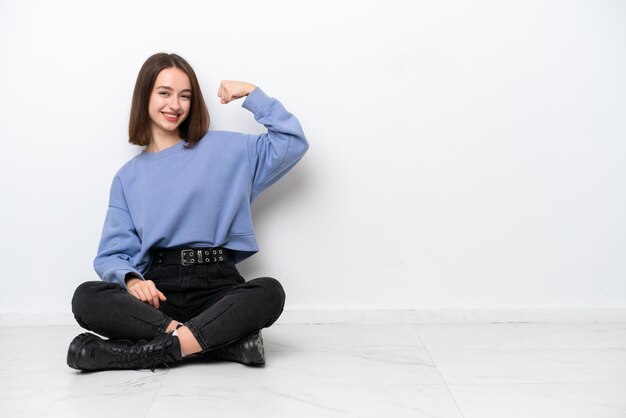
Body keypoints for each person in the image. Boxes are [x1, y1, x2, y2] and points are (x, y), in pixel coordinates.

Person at [67, 52, 309, 371]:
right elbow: (112, 254)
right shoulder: (128, 177)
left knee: (269, 292)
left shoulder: (227, 150)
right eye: (164, 93)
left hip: (217, 284)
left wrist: (253, 94)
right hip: (158, 293)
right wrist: (131, 281)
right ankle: (223, 344)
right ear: (145, 96)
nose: (175, 105)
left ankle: (147, 352)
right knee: (86, 297)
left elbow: (291, 143)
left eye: (185, 96)